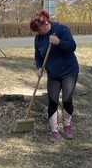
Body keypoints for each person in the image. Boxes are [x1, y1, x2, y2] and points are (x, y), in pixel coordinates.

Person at [29, 9, 79, 142]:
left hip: (69, 71)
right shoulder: (38, 38)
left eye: (39, 30)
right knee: (53, 101)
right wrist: (39, 67)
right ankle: (54, 130)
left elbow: (72, 46)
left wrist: (59, 42)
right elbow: (38, 55)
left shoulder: (61, 29)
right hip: (53, 73)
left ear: (46, 24)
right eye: (36, 31)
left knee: (67, 100)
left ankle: (67, 125)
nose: (38, 33)